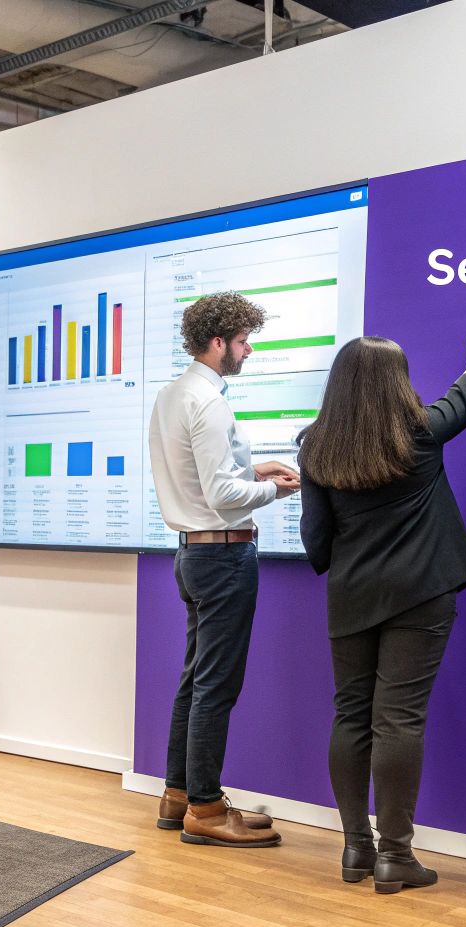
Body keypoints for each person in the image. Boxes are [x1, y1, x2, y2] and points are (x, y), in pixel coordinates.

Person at [297, 325, 466, 893]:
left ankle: (355, 849)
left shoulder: (316, 447)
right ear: (397, 385)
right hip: (421, 592)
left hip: (352, 595)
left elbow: (317, 538)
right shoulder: (420, 434)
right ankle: (396, 856)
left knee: (351, 715)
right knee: (398, 719)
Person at [146, 291, 300, 847]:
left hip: (193, 553)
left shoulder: (172, 395)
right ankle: (207, 810)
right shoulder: (209, 401)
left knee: (195, 679)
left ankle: (179, 795)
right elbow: (223, 492)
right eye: (242, 341)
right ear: (218, 343)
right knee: (217, 684)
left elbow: (197, 475)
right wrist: (272, 489)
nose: (248, 349)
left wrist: (256, 466)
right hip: (224, 555)